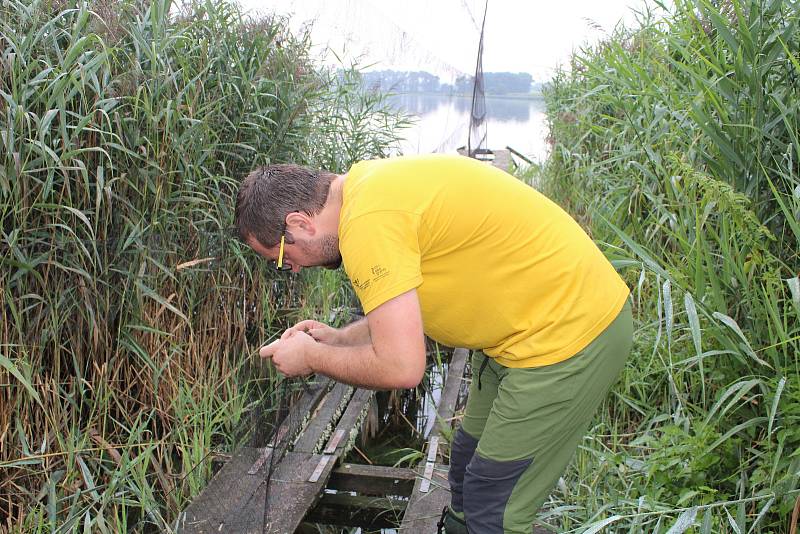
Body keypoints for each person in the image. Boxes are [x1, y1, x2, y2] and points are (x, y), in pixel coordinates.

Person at [234, 154, 633, 534]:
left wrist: (312, 358)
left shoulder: (368, 225)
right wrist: (337, 340)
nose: (295, 268)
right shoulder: (367, 191)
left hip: (567, 336)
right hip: (517, 336)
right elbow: (400, 317)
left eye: (284, 258)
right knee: (464, 465)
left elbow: (403, 368)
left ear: (301, 223)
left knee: (493, 504)